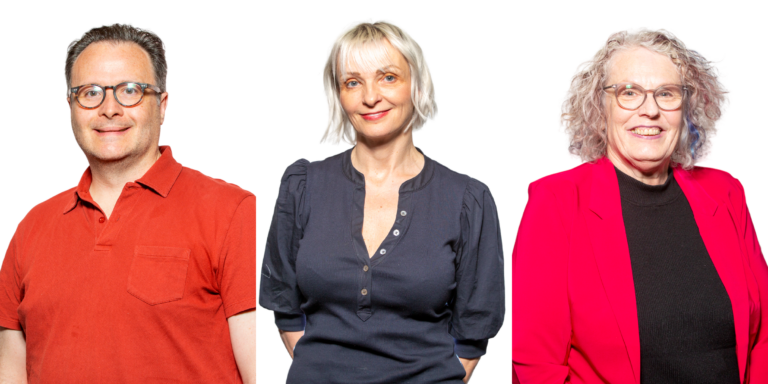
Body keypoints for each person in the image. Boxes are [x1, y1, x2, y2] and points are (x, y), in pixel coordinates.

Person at [0, 24, 255, 383]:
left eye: (130, 91)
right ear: (71, 106)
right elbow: (10, 367)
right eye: (90, 92)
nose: (109, 109)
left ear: (162, 106)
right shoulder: (32, 228)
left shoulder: (233, 212)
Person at [512, 30, 768, 383]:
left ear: (687, 107)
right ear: (599, 108)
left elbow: (763, 340)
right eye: (629, 92)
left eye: (666, 94)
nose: (650, 110)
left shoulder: (725, 193)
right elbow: (537, 365)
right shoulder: (556, 202)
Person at [259, 22, 504, 384]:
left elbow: (472, 334)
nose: (370, 96)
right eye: (352, 82)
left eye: (388, 77)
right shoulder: (303, 186)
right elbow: (285, 306)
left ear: (416, 85)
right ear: (339, 95)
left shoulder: (467, 200)